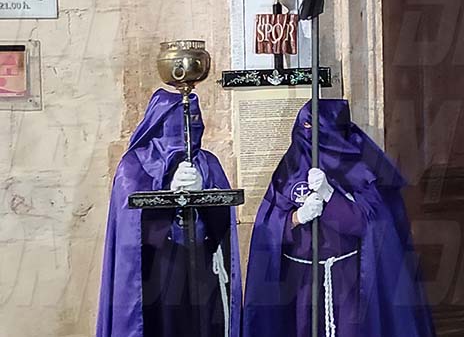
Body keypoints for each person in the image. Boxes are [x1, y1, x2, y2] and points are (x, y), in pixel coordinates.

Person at [244, 99, 435, 337]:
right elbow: (268, 223)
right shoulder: (289, 169)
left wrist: (330, 196)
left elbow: (368, 224)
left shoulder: (361, 168)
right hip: (300, 282)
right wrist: (296, 217)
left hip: (346, 280)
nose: (307, 134)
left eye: (315, 127)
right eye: (304, 126)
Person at [96, 89, 241, 337]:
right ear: (165, 121)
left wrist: (205, 196)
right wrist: (169, 197)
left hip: (202, 269)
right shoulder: (133, 166)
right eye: (184, 120)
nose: (192, 127)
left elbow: (224, 224)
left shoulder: (208, 163)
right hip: (157, 271)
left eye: (196, 119)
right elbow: (131, 229)